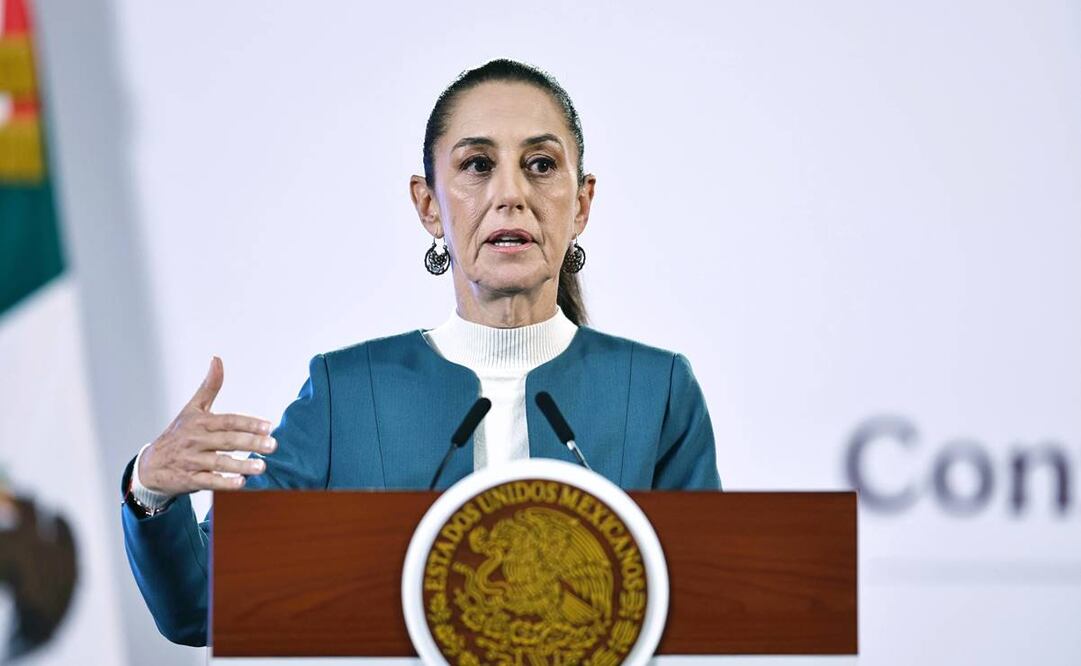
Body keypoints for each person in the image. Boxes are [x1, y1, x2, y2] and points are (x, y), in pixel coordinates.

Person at [120, 59, 721, 647]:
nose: (510, 194)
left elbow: (707, 608)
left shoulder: (658, 391)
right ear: (428, 204)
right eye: (477, 165)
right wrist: (150, 487)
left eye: (540, 165)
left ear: (582, 203)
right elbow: (200, 605)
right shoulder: (348, 394)